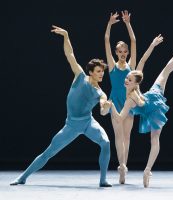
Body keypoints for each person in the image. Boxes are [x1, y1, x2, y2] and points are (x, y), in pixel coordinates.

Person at [10, 25, 112, 187]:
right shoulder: (79, 76)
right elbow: (70, 54)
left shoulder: (101, 93)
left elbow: (103, 110)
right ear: (91, 71)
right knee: (48, 153)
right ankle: (22, 177)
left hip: (88, 123)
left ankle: (103, 179)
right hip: (71, 125)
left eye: (102, 72)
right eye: (99, 71)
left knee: (105, 143)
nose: (101, 74)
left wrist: (106, 107)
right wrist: (66, 35)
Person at [111, 35, 173, 187]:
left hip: (150, 104)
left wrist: (152, 45)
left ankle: (147, 171)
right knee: (165, 71)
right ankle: (147, 170)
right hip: (152, 101)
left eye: (128, 79)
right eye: (126, 78)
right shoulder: (133, 92)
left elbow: (120, 116)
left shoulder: (130, 98)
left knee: (154, 141)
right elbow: (142, 60)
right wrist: (152, 45)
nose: (125, 80)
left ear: (134, 82)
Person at [104, 10, 138, 184]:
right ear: (116, 53)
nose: (123, 53)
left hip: (128, 101)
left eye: (125, 51)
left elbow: (133, 41)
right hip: (115, 102)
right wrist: (110, 24)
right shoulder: (112, 66)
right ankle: (122, 166)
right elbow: (107, 40)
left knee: (127, 137)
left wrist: (127, 23)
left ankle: (123, 166)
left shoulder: (131, 65)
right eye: (120, 51)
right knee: (118, 136)